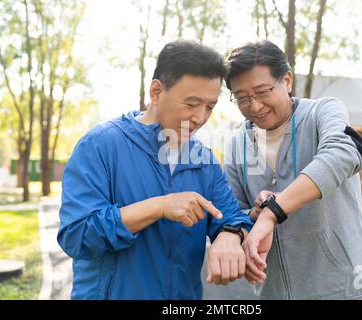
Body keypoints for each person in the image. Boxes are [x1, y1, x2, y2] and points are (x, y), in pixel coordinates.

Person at [57, 40, 253, 300]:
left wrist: (230, 234)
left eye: (209, 106)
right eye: (191, 103)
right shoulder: (100, 145)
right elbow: (76, 235)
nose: (200, 117)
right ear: (156, 92)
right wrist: (159, 206)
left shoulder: (203, 159)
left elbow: (231, 217)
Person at [223, 40, 362, 300]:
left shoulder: (322, 112)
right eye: (242, 98)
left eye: (262, 91)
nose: (255, 106)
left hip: (342, 290)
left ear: (287, 81)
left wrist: (273, 211)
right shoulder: (238, 143)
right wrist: (255, 213)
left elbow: (345, 153)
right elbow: (233, 213)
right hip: (273, 293)